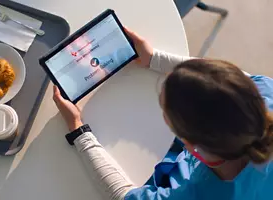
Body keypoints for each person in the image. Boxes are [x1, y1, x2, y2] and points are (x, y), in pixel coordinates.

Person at [53, 28, 273, 200]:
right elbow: (222, 79)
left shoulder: (194, 194)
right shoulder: (266, 90)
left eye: (165, 111)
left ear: (188, 144)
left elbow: (124, 196)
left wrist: (78, 130)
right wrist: (154, 58)